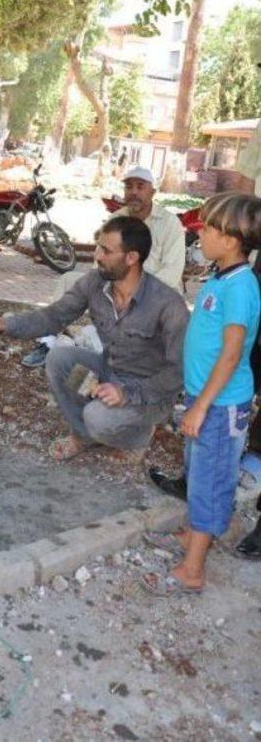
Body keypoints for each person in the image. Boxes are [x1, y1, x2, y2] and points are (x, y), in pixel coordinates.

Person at [0, 215, 189, 463]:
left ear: (131, 258)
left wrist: (127, 393)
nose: (97, 256)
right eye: (98, 247)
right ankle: (84, 435)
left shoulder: (168, 305)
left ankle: (138, 437)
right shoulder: (95, 283)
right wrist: (4, 324)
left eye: (106, 250)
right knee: (59, 359)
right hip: (110, 372)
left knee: (97, 417)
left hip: (150, 395)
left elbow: (178, 373)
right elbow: (54, 316)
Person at [143, 192, 261, 594]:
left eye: (208, 227)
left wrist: (202, 406)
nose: (200, 232)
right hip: (204, 400)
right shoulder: (221, 276)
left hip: (220, 405)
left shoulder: (242, 287)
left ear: (230, 239)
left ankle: (192, 571)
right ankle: (192, 536)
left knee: (211, 484)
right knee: (199, 475)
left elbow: (231, 355)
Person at [22, 164, 186, 367]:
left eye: (140, 186)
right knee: (68, 281)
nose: (134, 192)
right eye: (129, 187)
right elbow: (100, 261)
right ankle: (48, 341)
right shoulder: (116, 219)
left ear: (152, 191)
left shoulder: (170, 224)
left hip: (157, 297)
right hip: (118, 288)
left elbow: (172, 274)